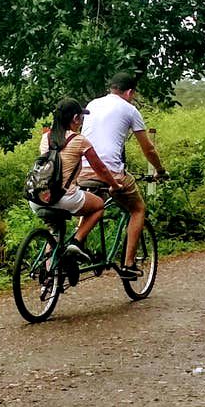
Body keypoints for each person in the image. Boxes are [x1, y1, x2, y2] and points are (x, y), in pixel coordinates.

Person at [79, 70, 166, 279]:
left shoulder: (92, 104)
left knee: (91, 205)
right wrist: (160, 171)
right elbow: (149, 149)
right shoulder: (130, 109)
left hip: (82, 168)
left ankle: (77, 243)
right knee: (138, 209)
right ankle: (128, 264)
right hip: (110, 173)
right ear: (129, 92)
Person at [34, 97, 122, 260]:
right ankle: (77, 241)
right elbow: (101, 169)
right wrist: (114, 185)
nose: (81, 122)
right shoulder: (79, 140)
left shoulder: (46, 137)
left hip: (38, 197)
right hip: (64, 197)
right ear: (75, 118)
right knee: (99, 206)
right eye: (81, 118)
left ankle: (48, 277)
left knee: (55, 232)